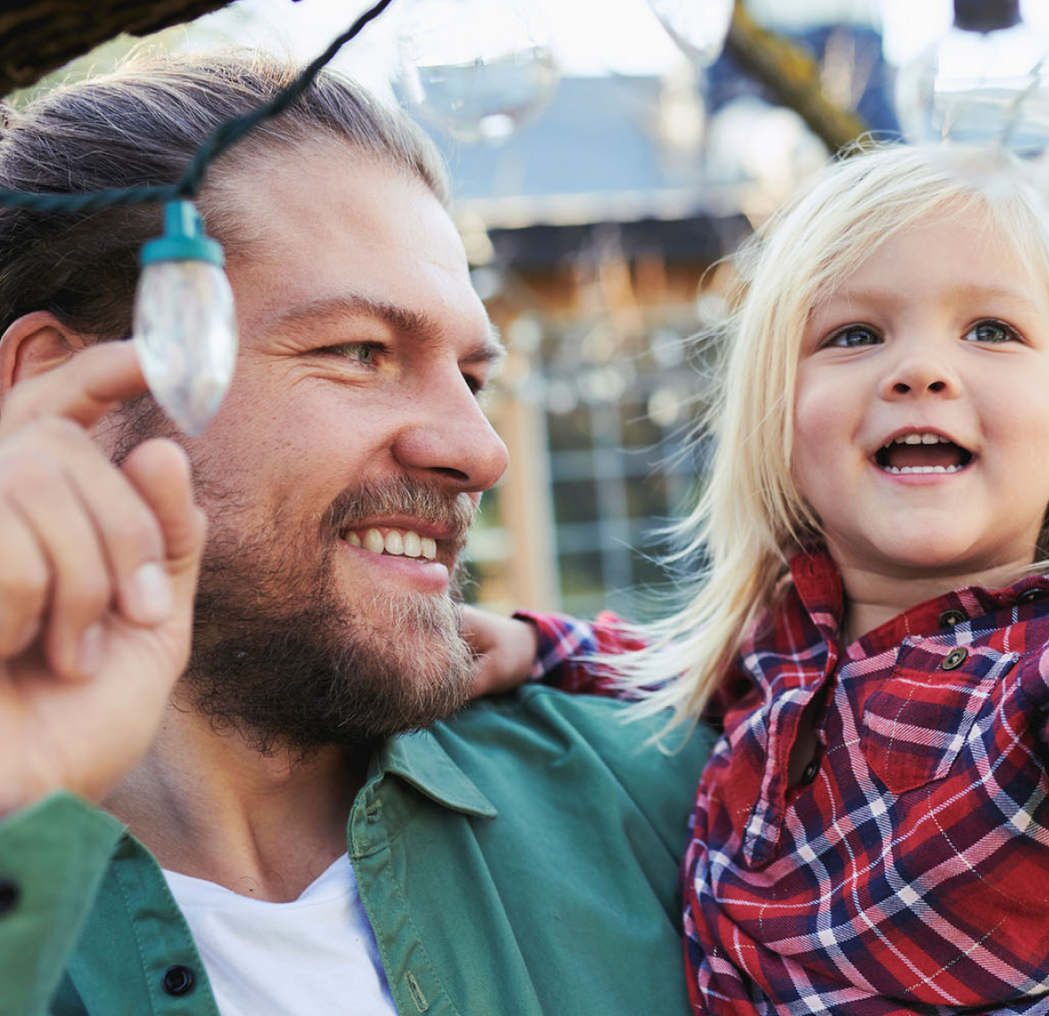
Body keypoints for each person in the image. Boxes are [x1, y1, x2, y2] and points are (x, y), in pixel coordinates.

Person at [462, 144, 1049, 1014]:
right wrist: (542, 644)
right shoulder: (781, 642)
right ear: (778, 432)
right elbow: (676, 663)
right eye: (854, 334)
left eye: (991, 329)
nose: (919, 370)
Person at [0, 54, 710, 1015]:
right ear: (58, 397)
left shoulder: (683, 801)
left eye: (473, 376)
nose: (479, 449)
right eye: (360, 351)